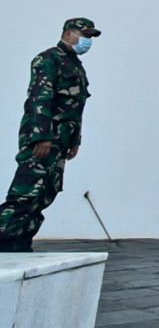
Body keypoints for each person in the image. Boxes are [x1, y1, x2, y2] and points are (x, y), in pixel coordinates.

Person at [0, 18, 102, 252]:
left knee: (45, 193)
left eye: (90, 38)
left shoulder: (75, 64)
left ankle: (19, 243)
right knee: (26, 193)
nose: (87, 41)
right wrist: (41, 137)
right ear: (68, 35)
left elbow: (76, 106)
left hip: (60, 141)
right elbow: (40, 98)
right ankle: (4, 238)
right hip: (44, 139)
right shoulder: (48, 59)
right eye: (84, 35)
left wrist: (75, 140)